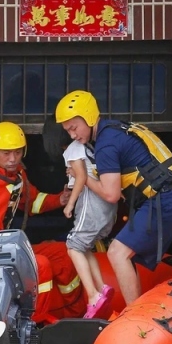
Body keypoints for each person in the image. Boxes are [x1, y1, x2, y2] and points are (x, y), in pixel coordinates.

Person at [55, 90, 172, 305]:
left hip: (164, 199)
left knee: (117, 253)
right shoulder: (114, 129)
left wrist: (81, 176)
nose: (72, 135)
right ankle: (137, 308)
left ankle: (133, 316)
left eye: (74, 127)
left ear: (89, 117)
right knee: (125, 254)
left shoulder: (106, 145)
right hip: (168, 196)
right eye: (67, 130)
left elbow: (111, 194)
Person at [0, 121, 86, 323]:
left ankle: (75, 317)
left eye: (17, 152)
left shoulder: (15, 175)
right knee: (40, 265)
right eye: (6, 153)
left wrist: (59, 199)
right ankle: (35, 326)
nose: (13, 159)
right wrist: (18, 254)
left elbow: (31, 202)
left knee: (62, 255)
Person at [61, 137, 118, 319]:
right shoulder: (90, 148)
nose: (72, 133)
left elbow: (82, 177)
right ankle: (102, 288)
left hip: (92, 203)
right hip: (107, 208)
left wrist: (70, 204)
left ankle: (93, 296)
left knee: (73, 247)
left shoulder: (73, 149)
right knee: (83, 247)